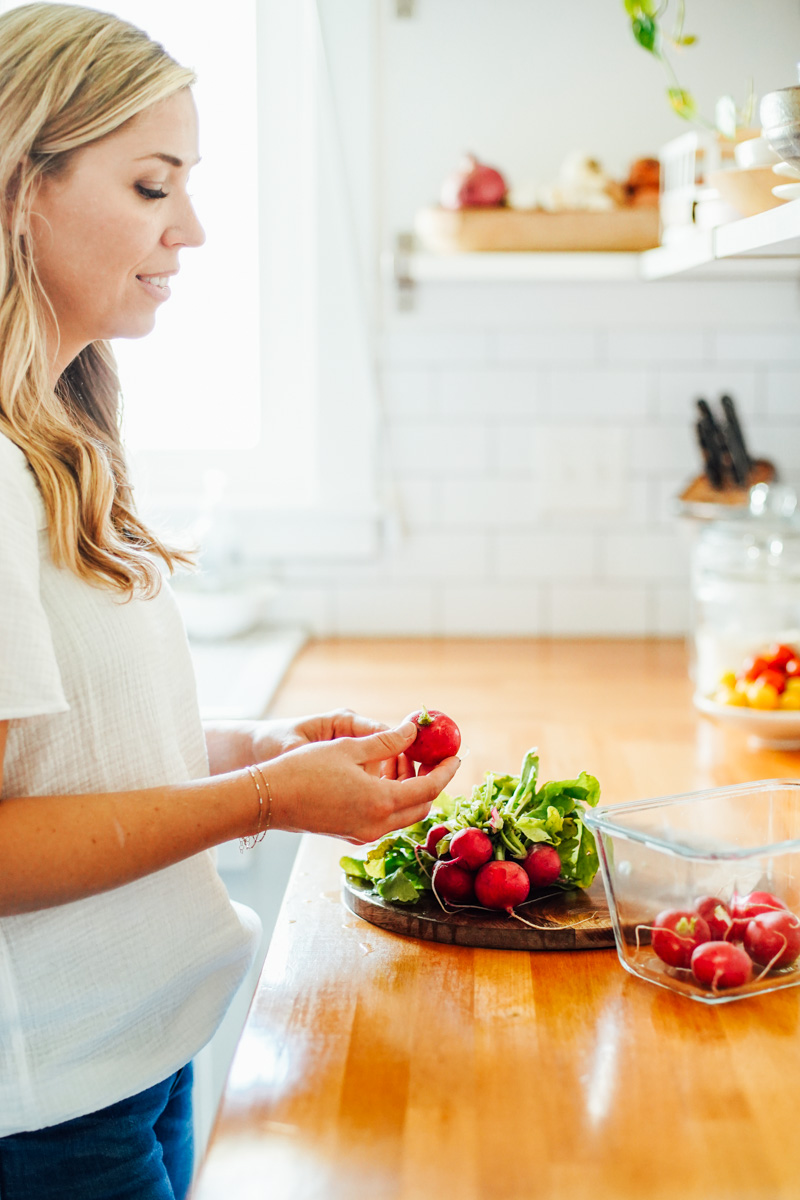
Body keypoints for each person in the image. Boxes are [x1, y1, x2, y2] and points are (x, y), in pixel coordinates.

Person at [0, 5, 460, 1197]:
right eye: (152, 186)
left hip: (131, 1059)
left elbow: (58, 765)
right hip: (41, 1110)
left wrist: (253, 750)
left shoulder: (58, 439)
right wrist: (259, 801)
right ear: (18, 184)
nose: (190, 229)